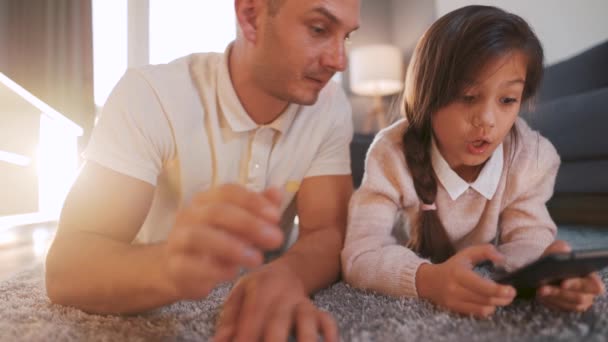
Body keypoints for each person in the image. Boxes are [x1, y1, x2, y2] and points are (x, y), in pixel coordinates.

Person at [45, 0, 360, 341]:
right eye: (319, 29)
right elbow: (66, 267)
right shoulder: (151, 96)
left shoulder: (329, 106)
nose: (338, 61)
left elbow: (326, 231)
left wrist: (286, 275)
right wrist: (168, 266)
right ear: (250, 16)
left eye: (346, 36)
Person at [341, 5, 605, 318]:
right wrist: (427, 280)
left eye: (508, 100)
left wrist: (544, 277)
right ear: (427, 95)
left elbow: (526, 240)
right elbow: (360, 255)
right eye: (468, 96)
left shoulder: (531, 156)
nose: (488, 121)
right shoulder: (390, 154)